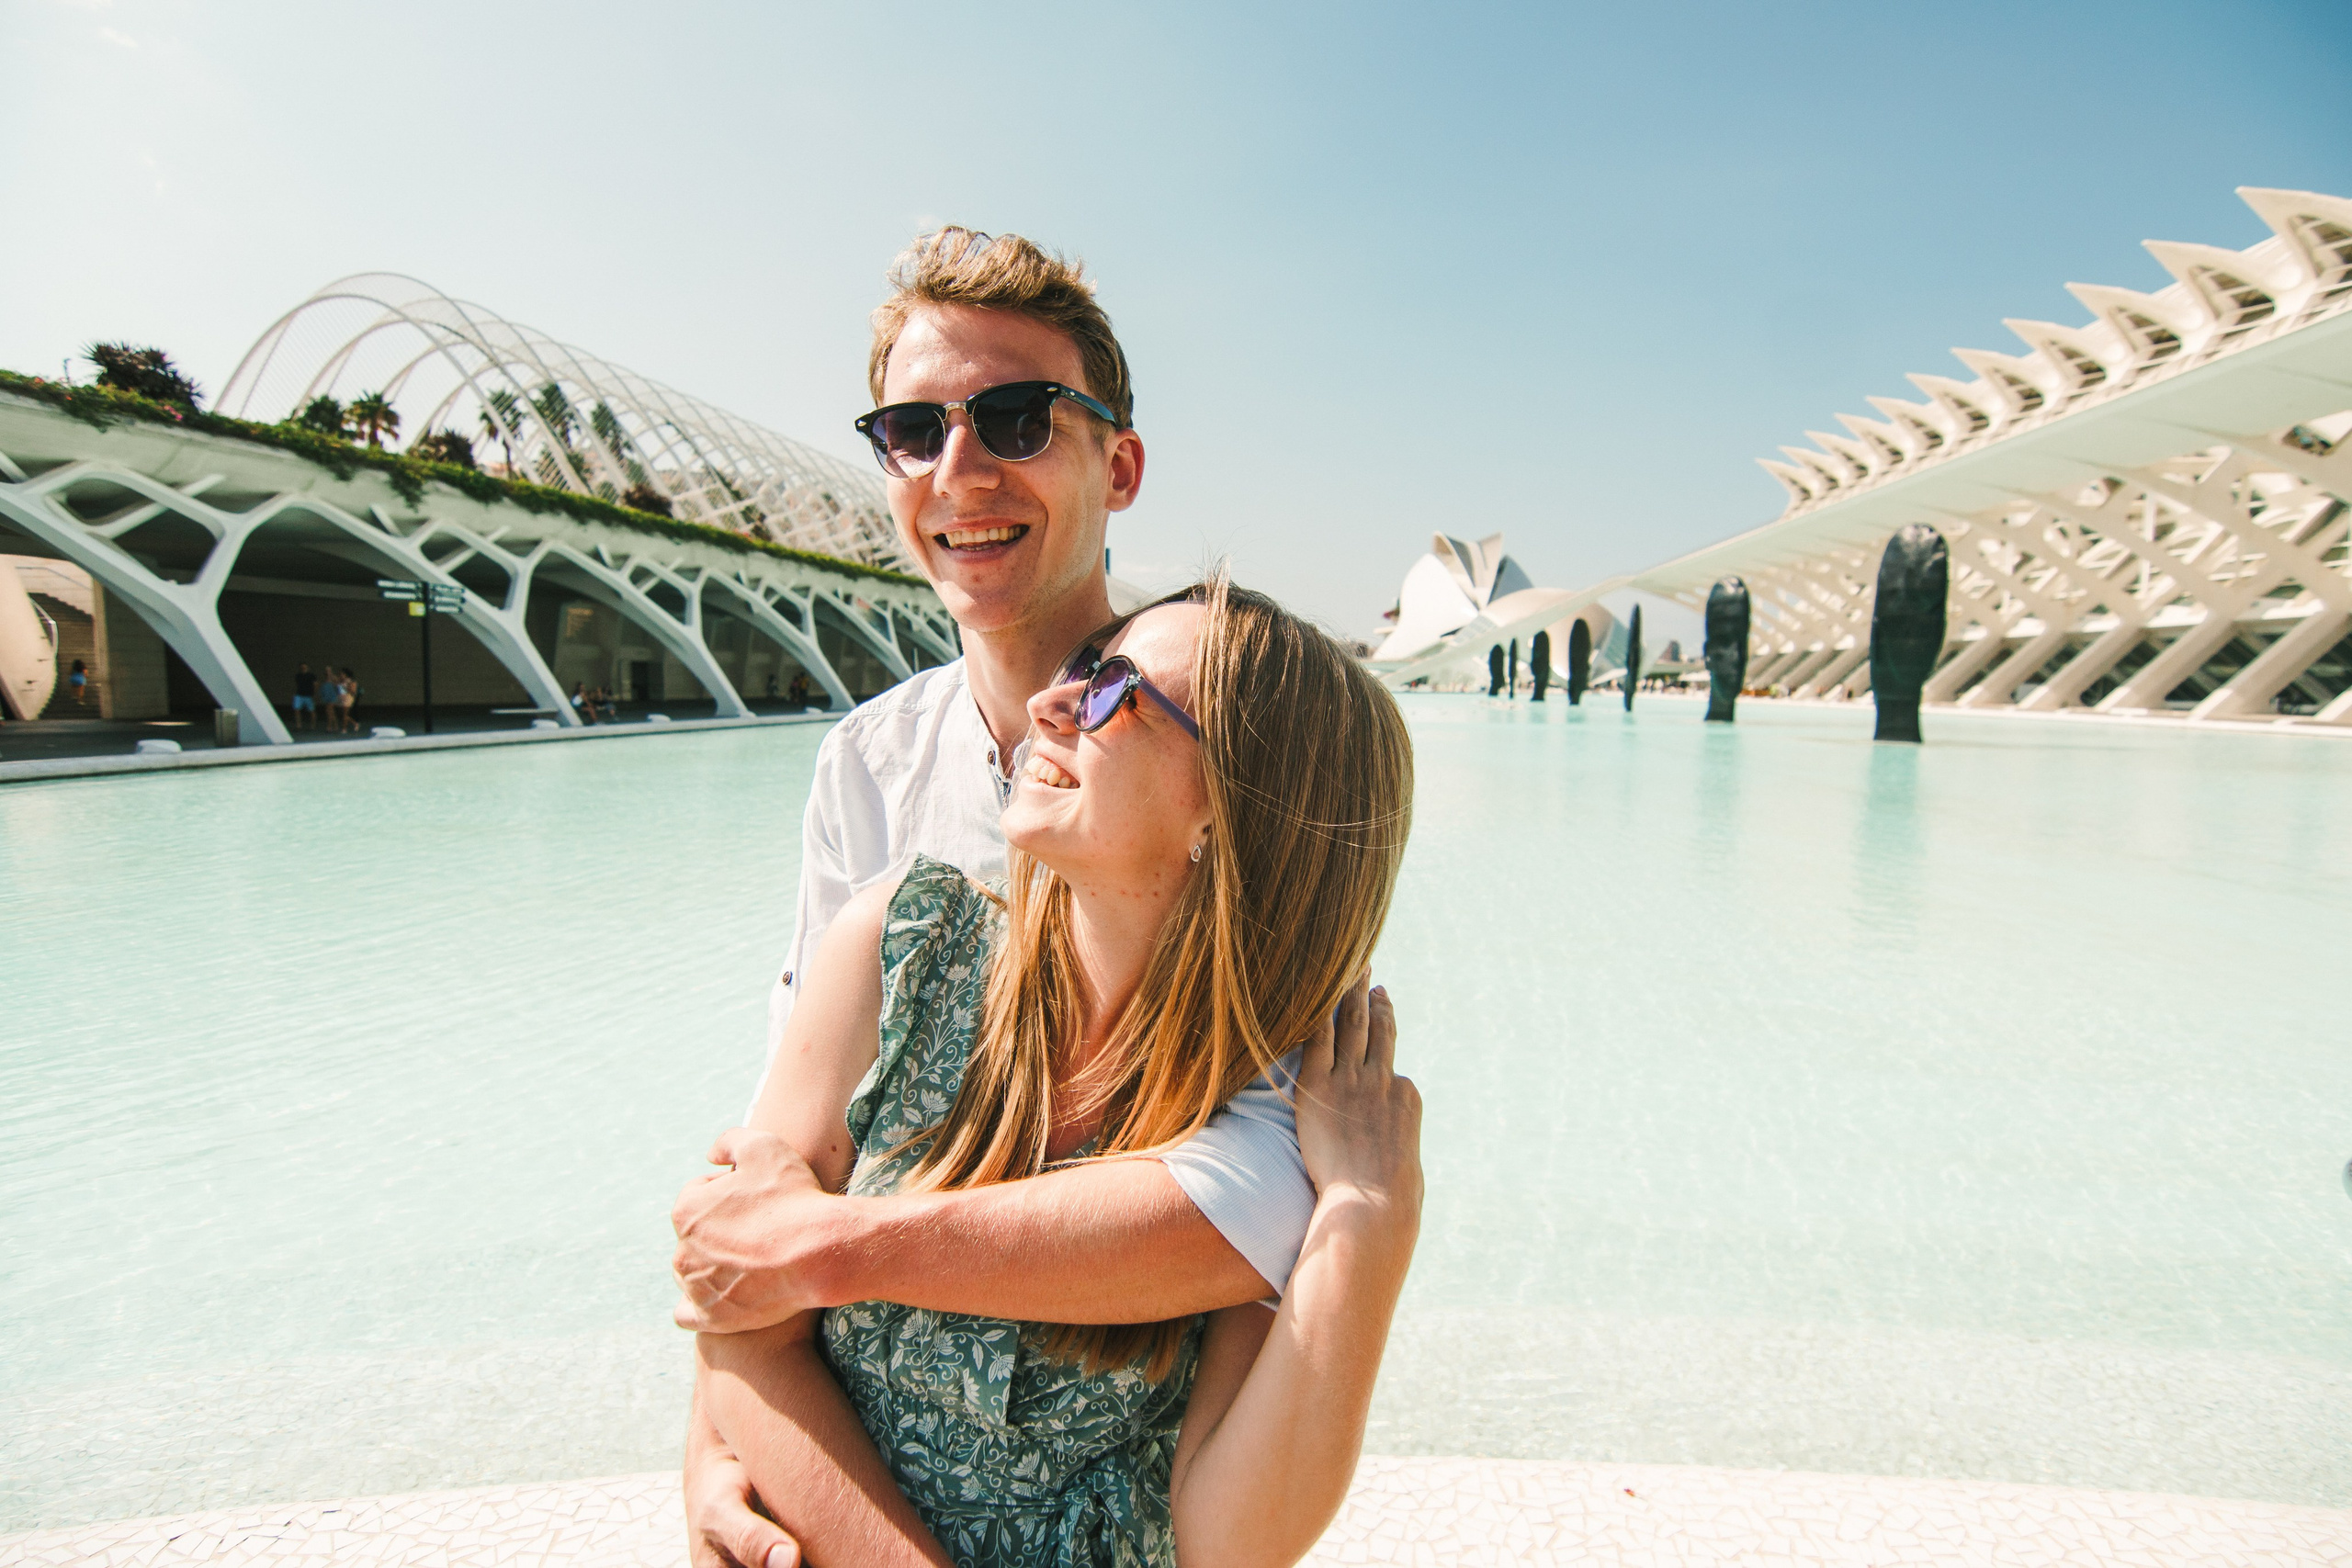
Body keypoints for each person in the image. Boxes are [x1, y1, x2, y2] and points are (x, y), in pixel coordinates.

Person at [671, 231, 1328, 1568]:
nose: (959, 470)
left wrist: (817, 1253)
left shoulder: (1233, 742)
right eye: (913, 428)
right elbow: (776, 1171)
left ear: (1120, 463)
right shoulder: (864, 763)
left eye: (1016, 418)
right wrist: (718, 1424)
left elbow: (1251, 1207)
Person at [694, 580, 1420, 1566]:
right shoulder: (897, 948)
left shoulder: (1279, 1105)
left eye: (1117, 690)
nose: (1051, 701)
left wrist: (1370, 1219)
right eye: (1084, 669)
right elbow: (736, 1305)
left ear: (1234, 813)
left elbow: (1233, 1538)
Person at [292, 662, 318, 729]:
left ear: (307, 668)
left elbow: (315, 685)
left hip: (309, 695)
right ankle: (298, 725)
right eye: (302, 667)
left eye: (304, 667)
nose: (303, 668)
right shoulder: (298, 676)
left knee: (311, 711)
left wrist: (314, 694)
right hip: (299, 694)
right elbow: (296, 685)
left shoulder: (311, 675)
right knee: (297, 710)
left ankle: (313, 725)